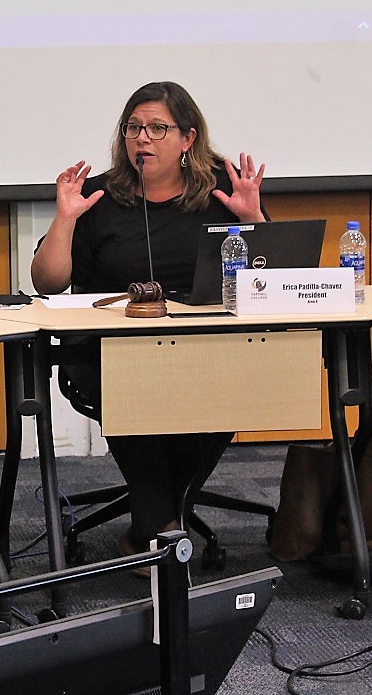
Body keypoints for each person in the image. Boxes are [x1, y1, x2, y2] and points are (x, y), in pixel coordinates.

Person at [30, 80, 267, 560]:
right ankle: (159, 527)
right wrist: (66, 220)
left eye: (158, 128)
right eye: (134, 127)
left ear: (188, 138)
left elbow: (270, 282)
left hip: (205, 350)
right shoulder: (96, 197)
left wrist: (254, 218)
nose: (143, 138)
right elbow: (48, 282)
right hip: (108, 355)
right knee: (135, 387)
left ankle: (154, 522)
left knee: (236, 382)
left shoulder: (222, 194)